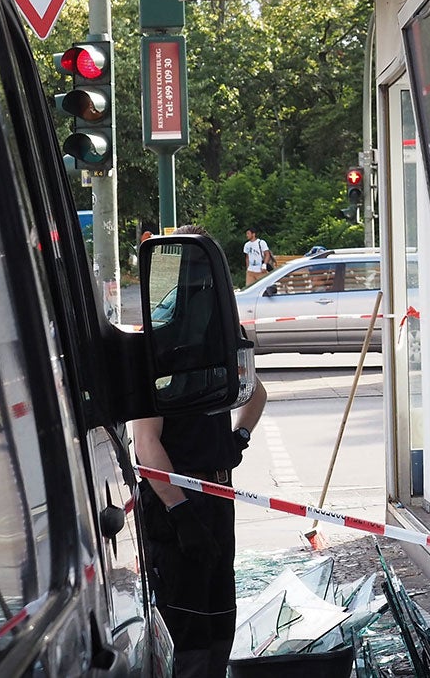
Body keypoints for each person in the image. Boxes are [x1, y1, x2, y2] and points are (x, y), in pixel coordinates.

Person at [132, 224, 269, 678]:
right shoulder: (157, 344)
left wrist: (238, 438)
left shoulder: (224, 338)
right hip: (177, 504)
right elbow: (146, 443)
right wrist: (180, 513)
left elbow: (255, 392)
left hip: (216, 496)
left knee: (216, 618)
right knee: (183, 627)